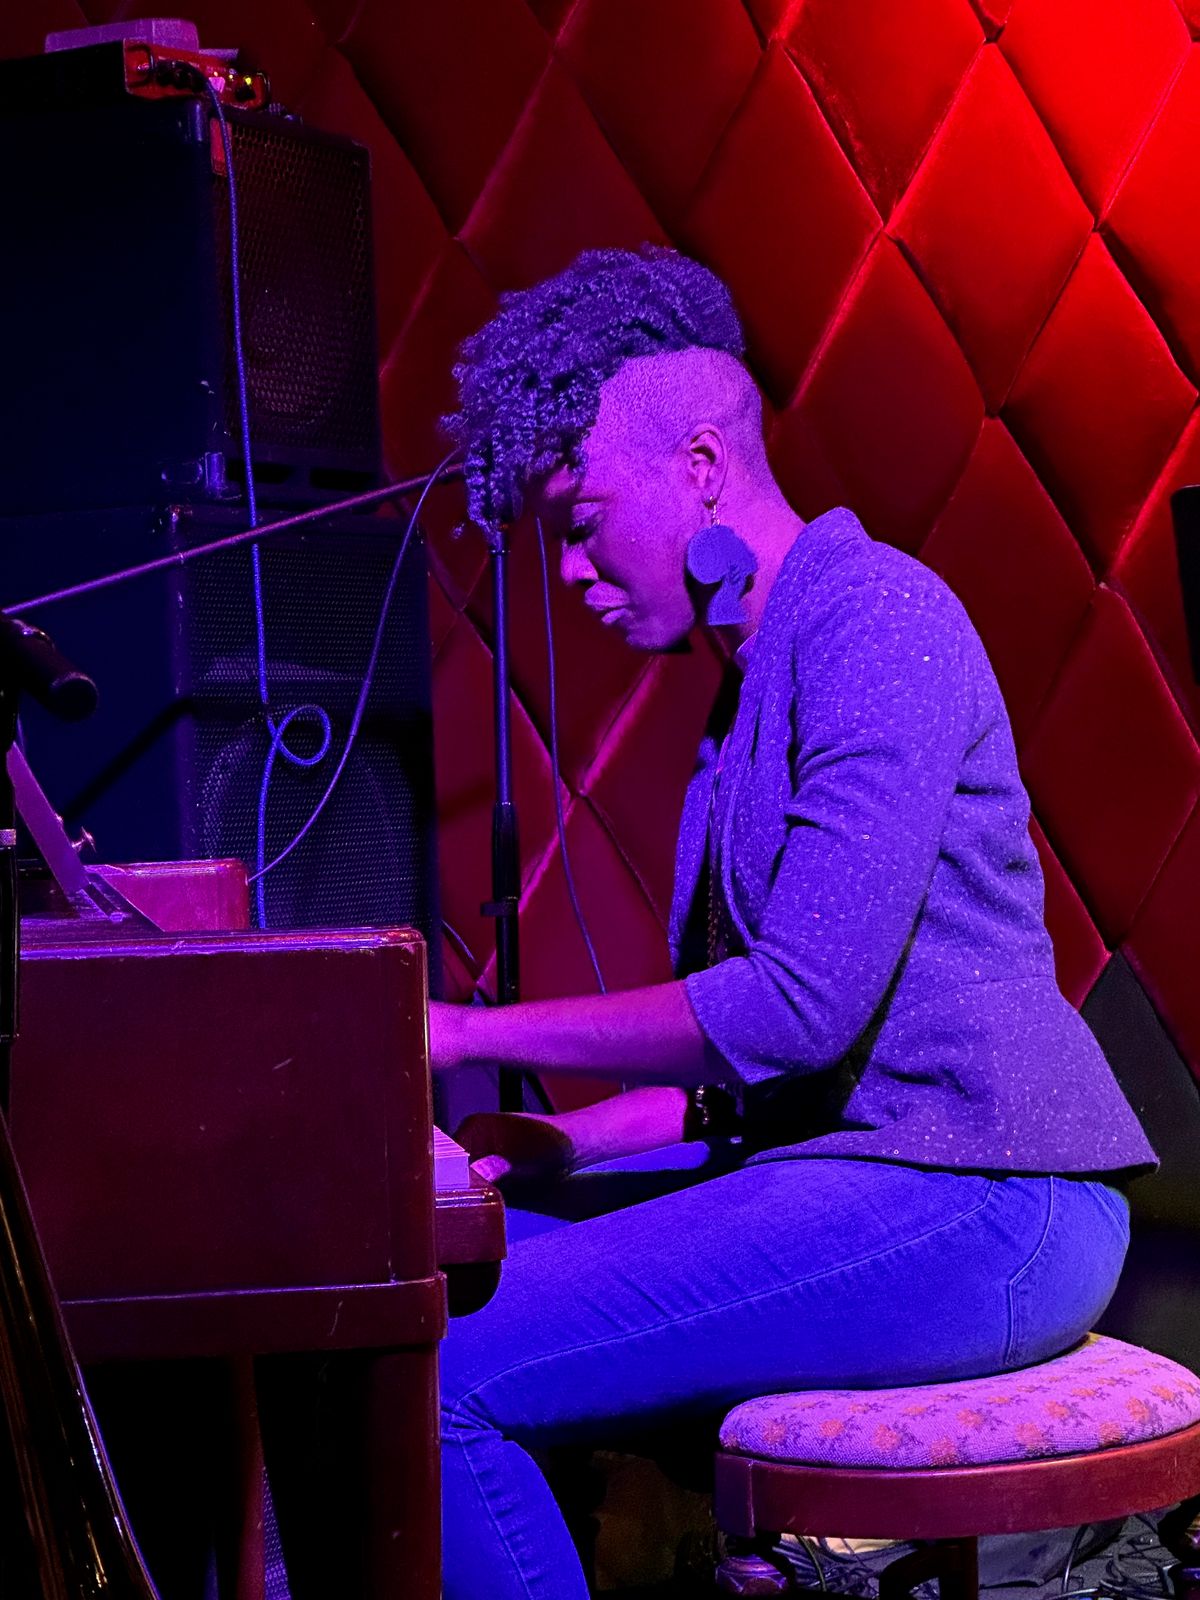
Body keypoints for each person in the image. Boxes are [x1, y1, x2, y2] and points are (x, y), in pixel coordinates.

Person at [429, 246, 1155, 1600]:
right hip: (876, 1173)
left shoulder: (875, 620)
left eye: (582, 521)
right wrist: (555, 1145)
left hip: (991, 1199)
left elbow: (793, 1010)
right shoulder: (753, 678)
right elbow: (763, 1083)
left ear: (702, 465)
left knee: (447, 1375)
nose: (571, 570)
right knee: (433, 1286)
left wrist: (468, 1032)